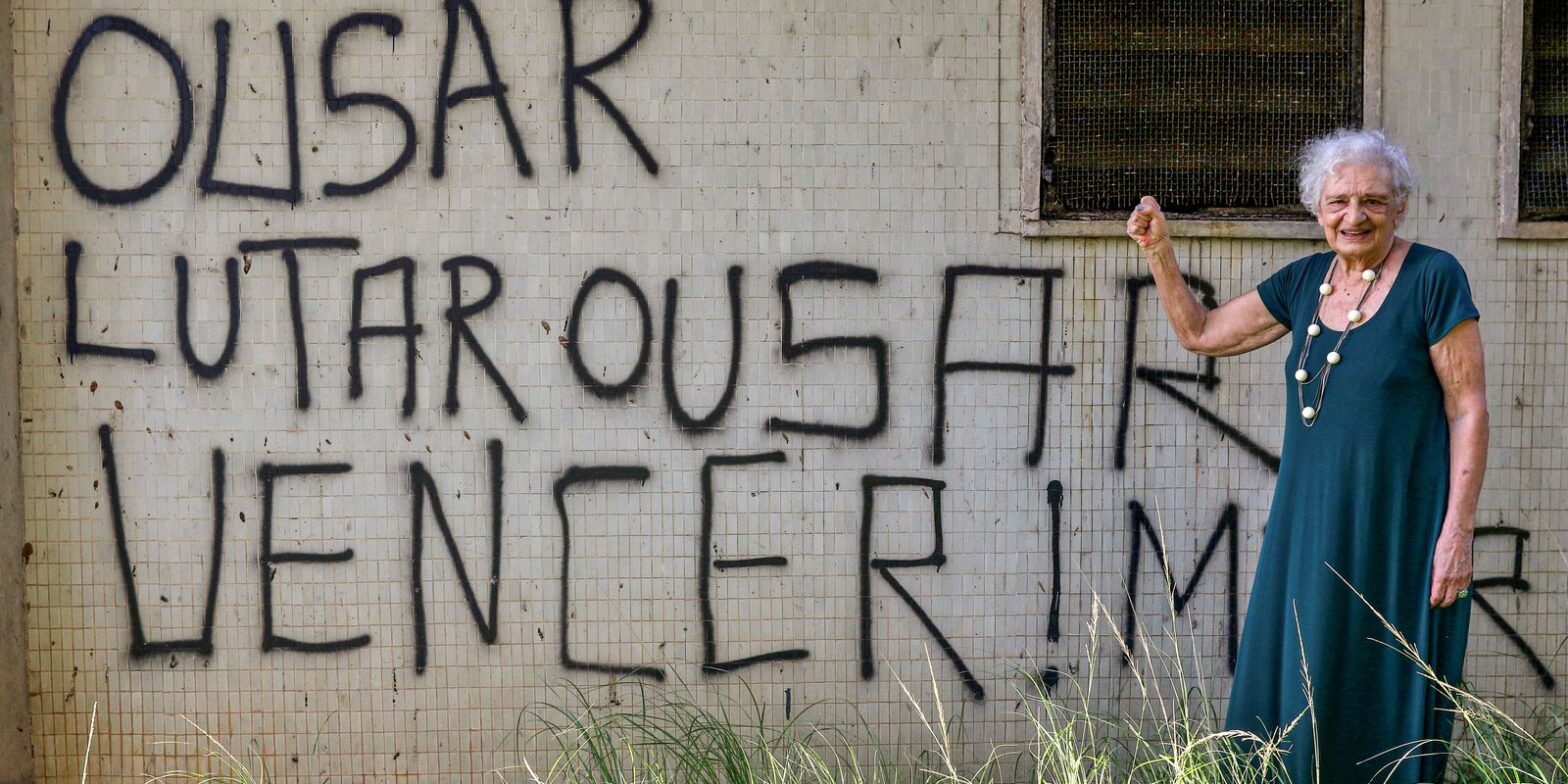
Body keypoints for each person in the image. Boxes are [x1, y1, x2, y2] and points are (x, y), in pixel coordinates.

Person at [1126, 128, 1487, 784]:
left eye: (1374, 201)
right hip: (1308, 526)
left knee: (1382, 689)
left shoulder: (1435, 278)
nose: (1355, 215)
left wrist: (1457, 531)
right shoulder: (1304, 283)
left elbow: (1468, 408)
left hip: (1399, 529)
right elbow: (1200, 333)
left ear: (1400, 206)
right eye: (1340, 200)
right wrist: (1161, 253)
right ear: (1316, 208)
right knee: (1297, 683)